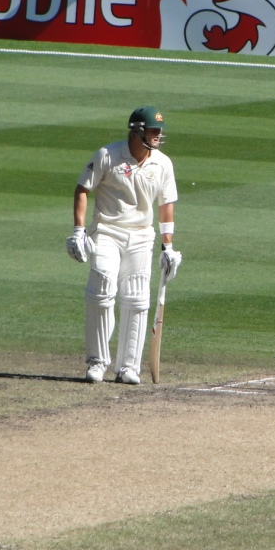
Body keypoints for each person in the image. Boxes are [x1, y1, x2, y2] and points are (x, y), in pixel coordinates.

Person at [67, 106, 182, 384]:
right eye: (153, 131)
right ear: (137, 131)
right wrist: (78, 231)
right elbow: (83, 189)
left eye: (159, 131)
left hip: (141, 236)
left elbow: (166, 205)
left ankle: (128, 367)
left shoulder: (162, 163)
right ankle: (97, 362)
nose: (157, 136)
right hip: (106, 231)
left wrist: (168, 247)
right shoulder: (108, 156)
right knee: (102, 288)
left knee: (137, 299)